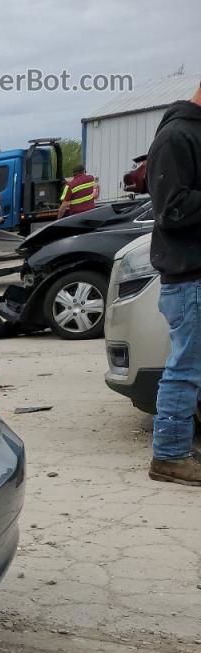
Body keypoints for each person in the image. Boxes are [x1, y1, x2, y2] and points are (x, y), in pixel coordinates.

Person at [146, 82, 201, 485]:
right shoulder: (176, 136)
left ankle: (180, 450)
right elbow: (171, 209)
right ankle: (169, 455)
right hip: (189, 279)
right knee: (185, 369)